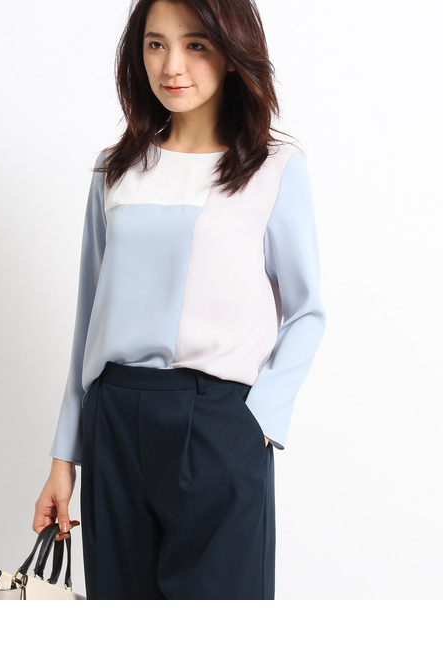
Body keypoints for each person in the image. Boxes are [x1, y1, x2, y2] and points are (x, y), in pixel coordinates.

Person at [33, 0, 326, 600]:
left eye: (196, 44)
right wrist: (65, 456)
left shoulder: (272, 169)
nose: (172, 65)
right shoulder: (116, 169)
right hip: (114, 420)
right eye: (155, 44)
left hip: (217, 422)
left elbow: (305, 312)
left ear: (232, 51)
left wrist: (258, 422)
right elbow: (89, 320)